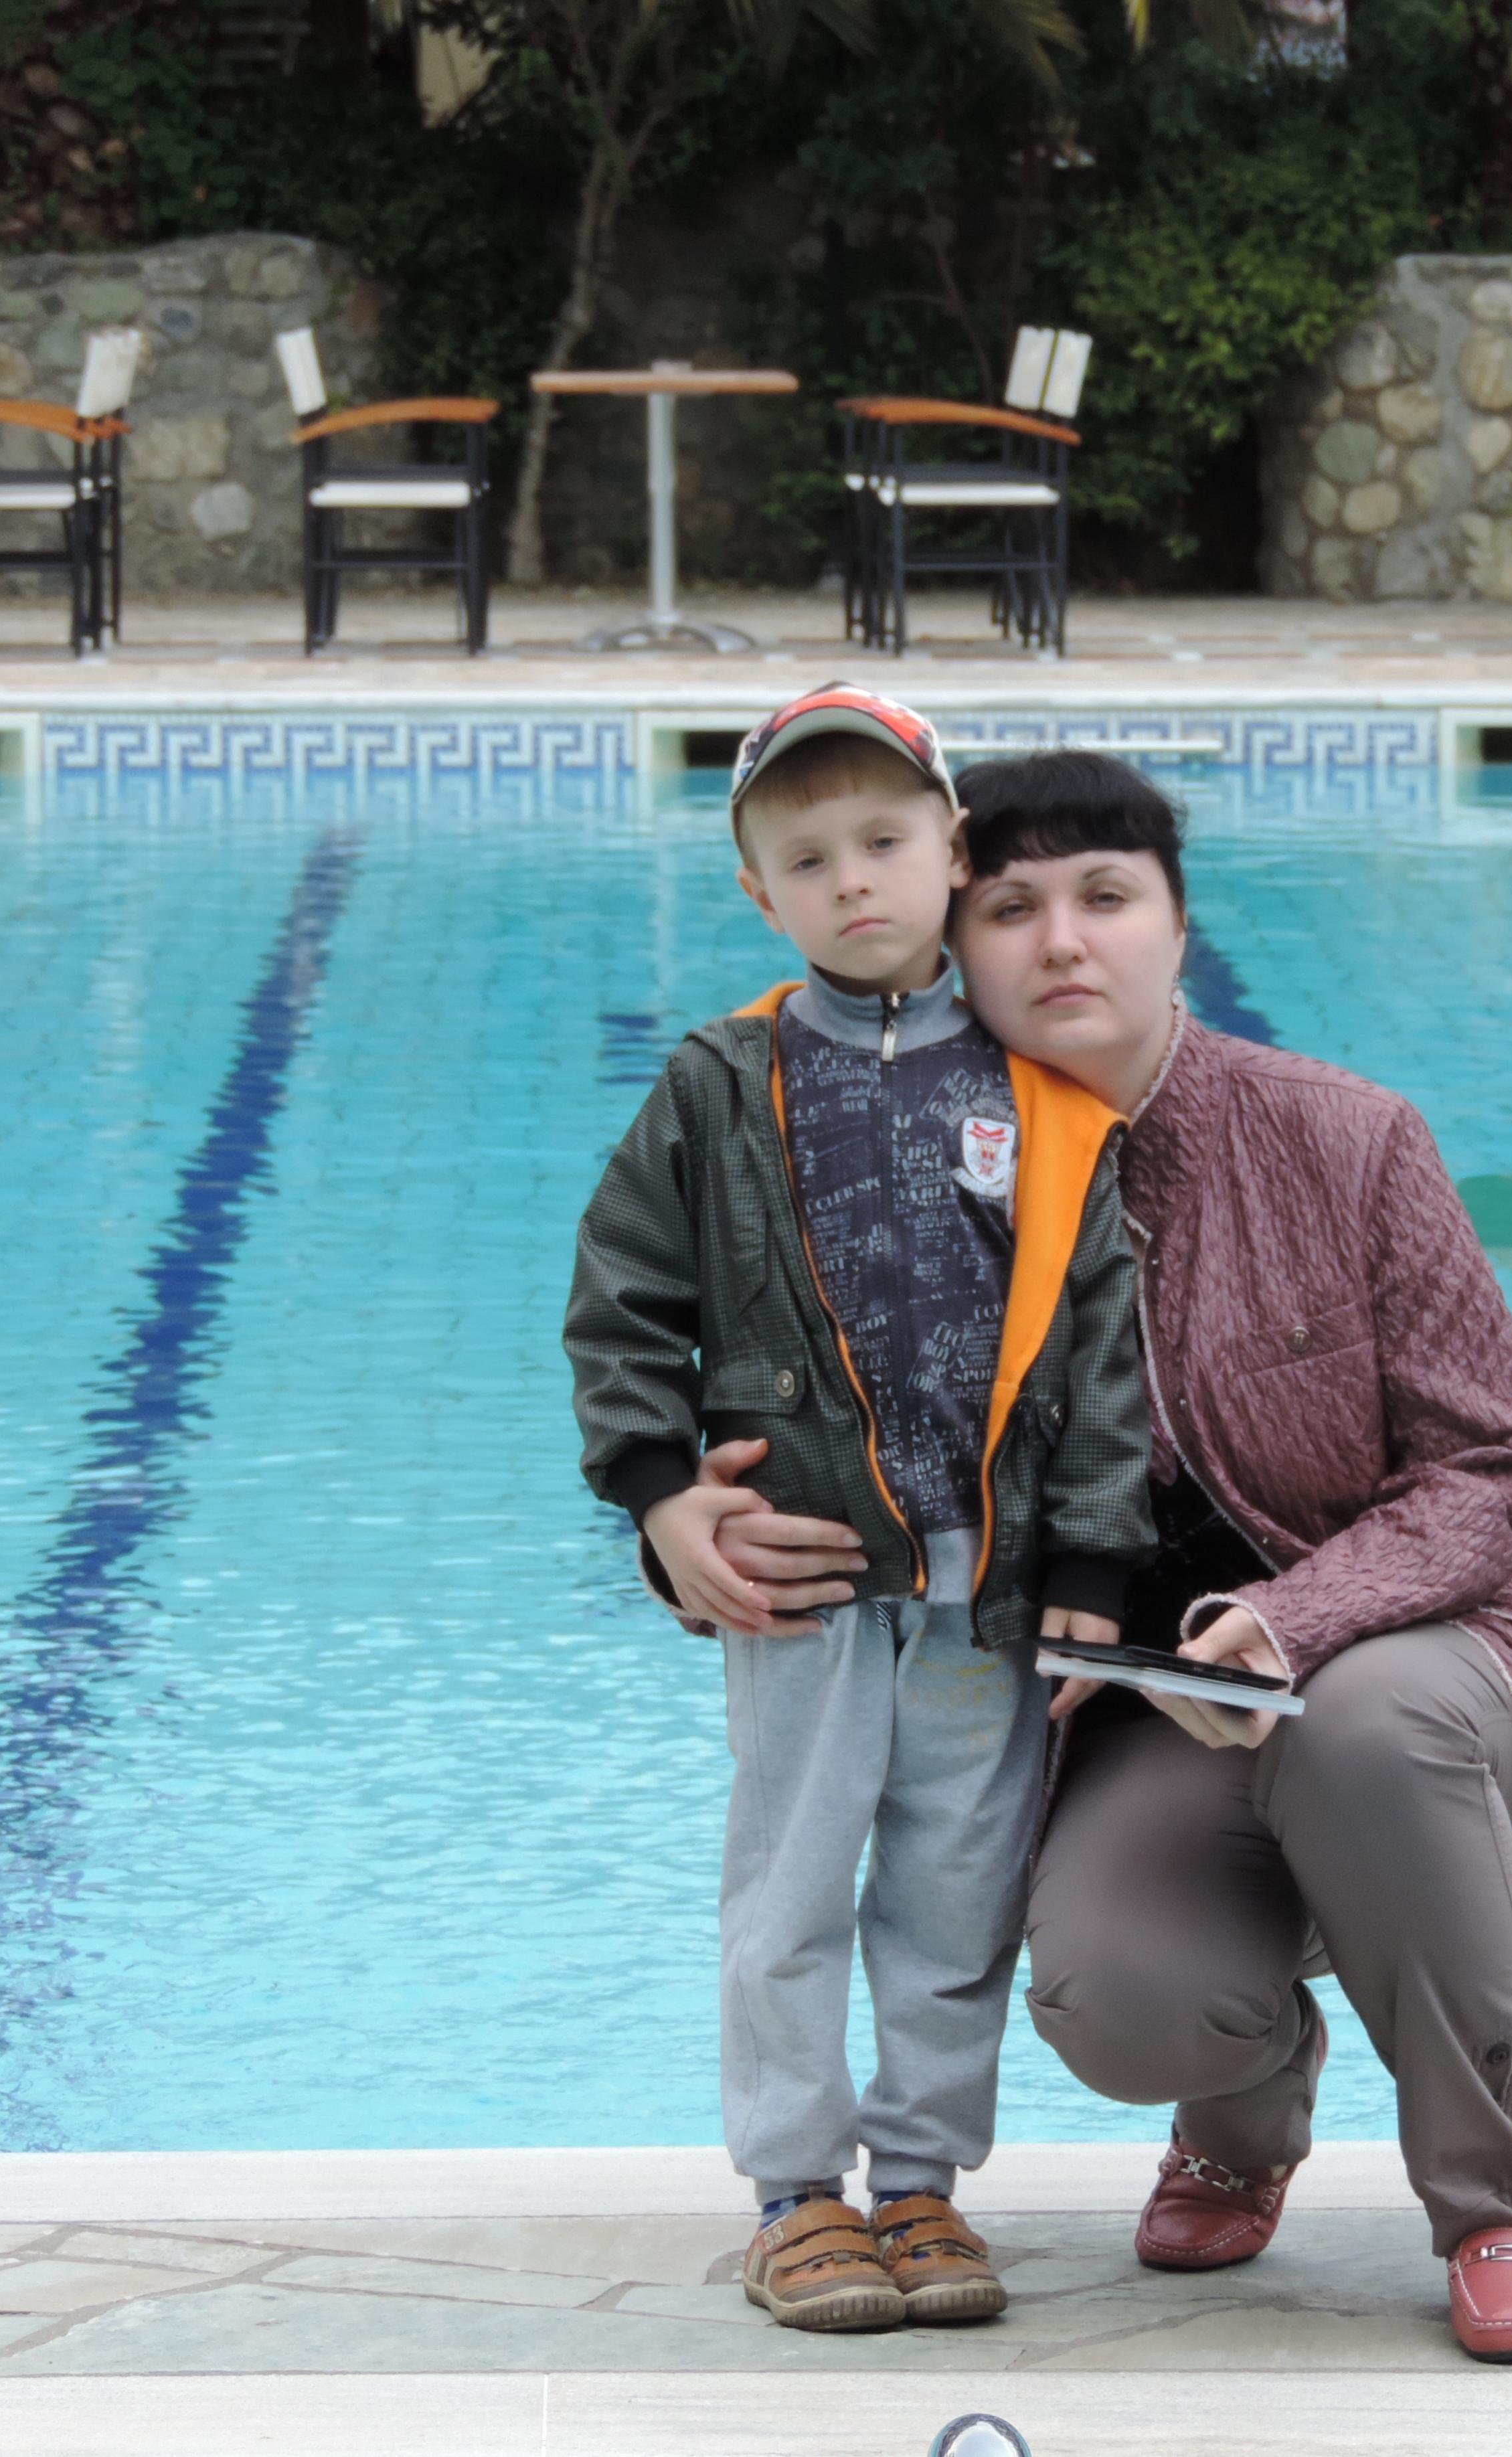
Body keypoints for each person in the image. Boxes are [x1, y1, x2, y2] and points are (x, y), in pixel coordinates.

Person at [704, 748, 1512, 2363]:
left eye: (1107, 896)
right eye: (1012, 906)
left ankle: (1496, 2203)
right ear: (948, 935)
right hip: (1158, 1725)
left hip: (1447, 1712)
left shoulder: (1344, 1140)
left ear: (1179, 923)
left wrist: (1293, 1620)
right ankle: (1243, 2107)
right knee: (1119, 1997)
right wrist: (688, 1527)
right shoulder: (911, 1184)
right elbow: (809, 1446)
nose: (1063, 940)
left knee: (1363, 1721)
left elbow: (1496, 1471)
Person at [563, 689, 1153, 2336]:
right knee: (793, 1890)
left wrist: (1096, 1556)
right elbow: (620, 1306)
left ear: (951, 851)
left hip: (987, 1592)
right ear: (761, 894)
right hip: (805, 1580)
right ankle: (794, 2194)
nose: (853, 882)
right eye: (808, 860)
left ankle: (921, 2184)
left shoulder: (1042, 1099)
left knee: (956, 1898)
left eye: (884, 842)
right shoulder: (719, 1084)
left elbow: (1101, 1350)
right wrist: (661, 1496)